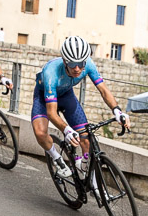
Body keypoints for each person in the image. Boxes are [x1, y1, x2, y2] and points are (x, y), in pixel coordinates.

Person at [30, 35, 131, 180]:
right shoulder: (50, 73)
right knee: (40, 133)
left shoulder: (88, 64)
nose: (77, 69)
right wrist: (67, 130)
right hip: (43, 96)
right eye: (72, 64)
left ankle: (83, 165)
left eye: (81, 64)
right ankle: (56, 158)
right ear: (65, 61)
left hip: (66, 95)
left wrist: (117, 110)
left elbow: (103, 90)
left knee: (86, 138)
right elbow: (51, 113)